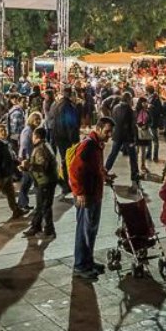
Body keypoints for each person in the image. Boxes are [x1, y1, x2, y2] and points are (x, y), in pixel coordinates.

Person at [70, 117, 116, 280]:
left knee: (91, 230)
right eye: (107, 131)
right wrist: (79, 192)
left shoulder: (97, 145)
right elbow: (74, 170)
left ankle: (88, 261)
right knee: (84, 230)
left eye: (111, 132)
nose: (109, 135)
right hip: (86, 195)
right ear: (98, 128)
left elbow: (96, 167)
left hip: (95, 193)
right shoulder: (88, 145)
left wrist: (105, 175)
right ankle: (80, 265)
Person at [23, 127, 58, 238]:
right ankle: (35, 226)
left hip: (45, 181)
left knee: (45, 206)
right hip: (45, 180)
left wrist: (29, 166)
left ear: (36, 136)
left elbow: (44, 167)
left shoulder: (40, 148)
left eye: (33, 135)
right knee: (41, 205)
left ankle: (49, 230)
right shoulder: (45, 145)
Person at [51, 87, 81, 198]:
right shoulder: (69, 107)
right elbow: (71, 124)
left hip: (58, 136)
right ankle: (67, 184)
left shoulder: (57, 104)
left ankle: (65, 184)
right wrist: (74, 140)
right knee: (68, 161)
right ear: (71, 95)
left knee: (64, 160)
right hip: (66, 138)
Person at [16, 112, 42, 211]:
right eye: (36, 119)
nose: (38, 121)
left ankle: (22, 203)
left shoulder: (32, 130)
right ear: (31, 120)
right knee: (28, 181)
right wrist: (26, 160)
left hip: (29, 158)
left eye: (39, 119)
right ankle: (23, 204)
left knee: (27, 182)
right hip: (27, 159)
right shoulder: (28, 131)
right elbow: (25, 146)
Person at [146, 86, 163, 162]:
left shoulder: (156, 99)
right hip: (149, 121)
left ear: (148, 91)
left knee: (155, 140)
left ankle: (155, 156)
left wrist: (151, 107)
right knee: (149, 139)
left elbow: (159, 110)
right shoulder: (150, 98)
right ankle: (148, 154)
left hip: (153, 122)